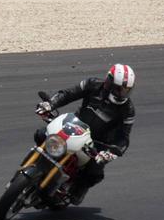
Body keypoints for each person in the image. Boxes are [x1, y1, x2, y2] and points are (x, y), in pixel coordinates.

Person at [36, 63, 135, 204]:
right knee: (41, 134)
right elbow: (68, 94)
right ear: (109, 82)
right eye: (119, 89)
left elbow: (124, 138)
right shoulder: (92, 84)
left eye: (126, 90)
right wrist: (50, 104)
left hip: (98, 142)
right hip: (75, 126)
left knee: (95, 169)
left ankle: (78, 189)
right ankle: (37, 166)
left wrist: (111, 153)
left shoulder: (128, 109)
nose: (122, 94)